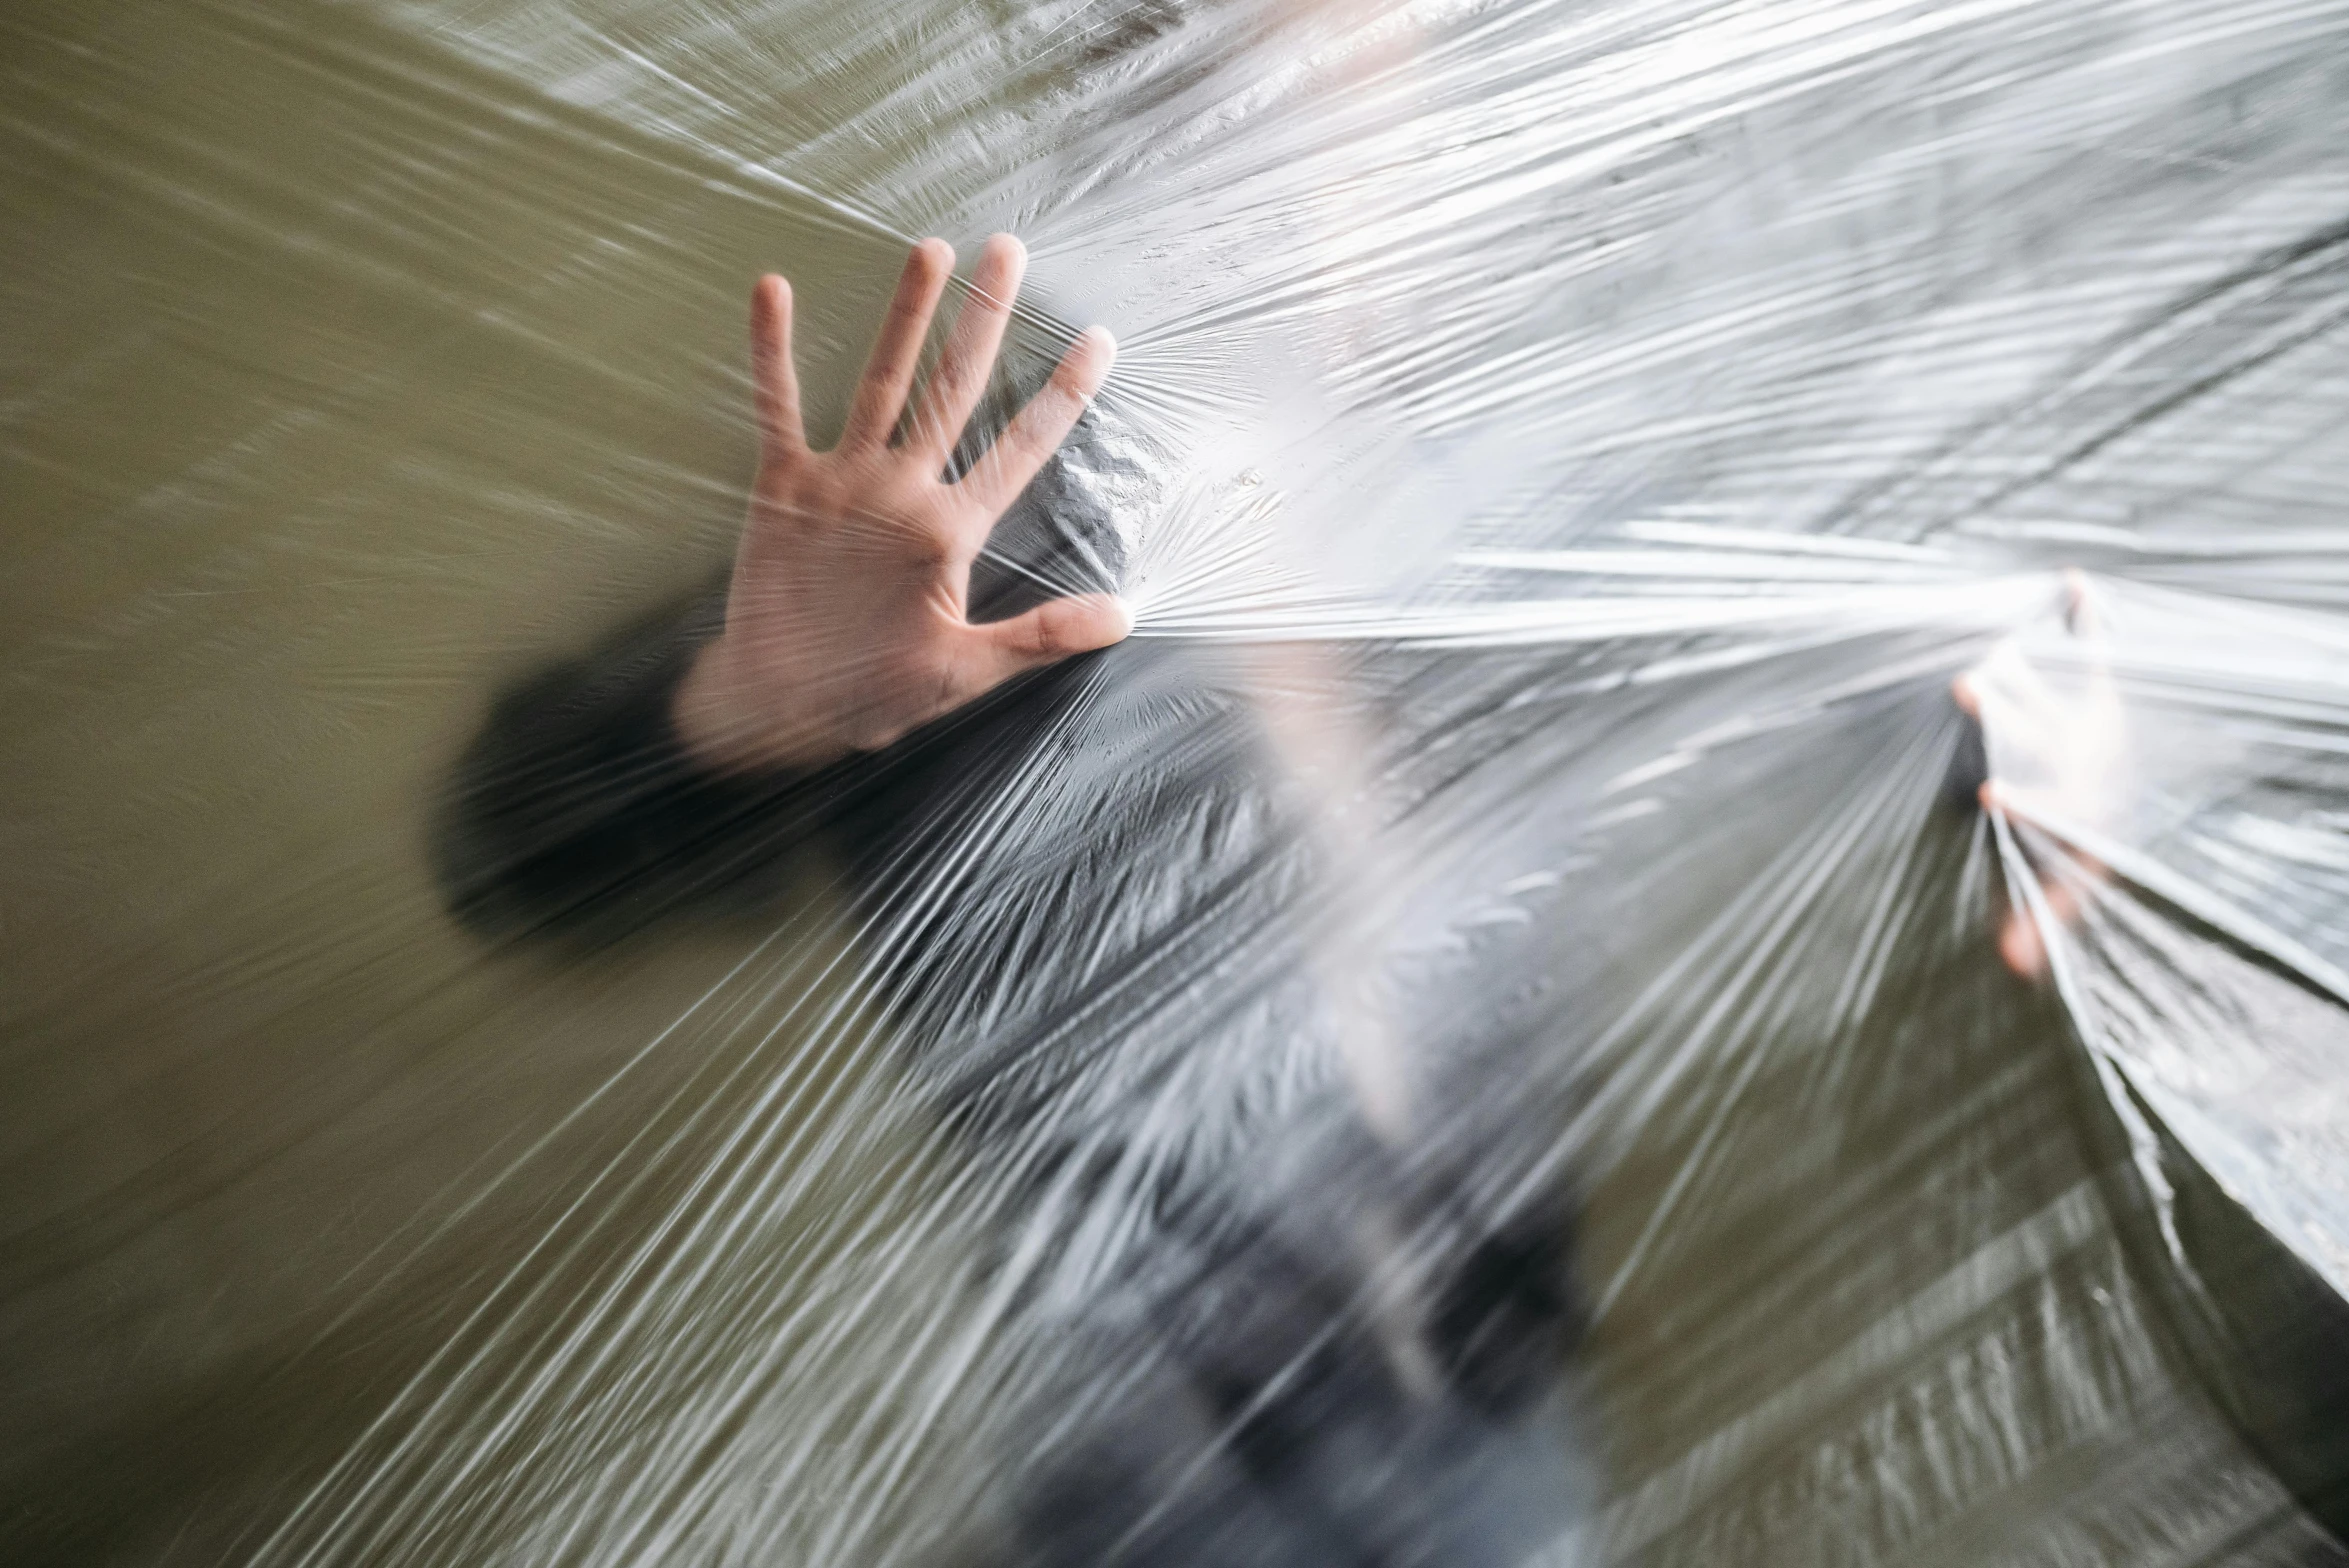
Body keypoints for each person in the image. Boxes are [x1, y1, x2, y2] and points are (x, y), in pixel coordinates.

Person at [438, 235, 1590, 1567]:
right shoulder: (969, 558)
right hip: (1162, 1483)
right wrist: (728, 724)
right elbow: (517, 851)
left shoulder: (1499, 518)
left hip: (1502, 1423)